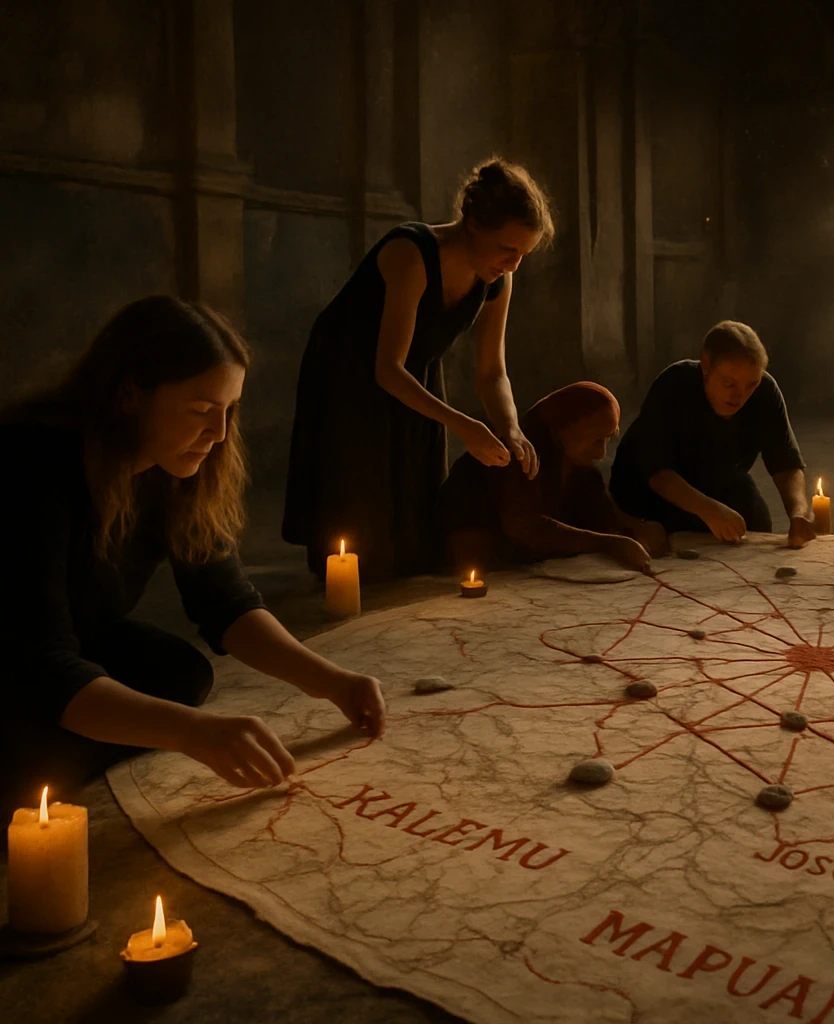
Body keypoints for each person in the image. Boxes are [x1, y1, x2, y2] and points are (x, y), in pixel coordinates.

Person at [0, 297, 387, 808]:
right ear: (129, 395)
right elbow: (41, 664)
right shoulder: (33, 464)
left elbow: (224, 601)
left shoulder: (174, 469)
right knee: (48, 749)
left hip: (75, 636)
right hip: (13, 656)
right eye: (203, 411)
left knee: (178, 673)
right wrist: (194, 734)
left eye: (230, 410)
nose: (220, 434)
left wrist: (333, 682)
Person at [283, 156, 553, 581]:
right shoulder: (410, 253)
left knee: (413, 537)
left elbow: (491, 372)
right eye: (507, 249)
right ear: (474, 224)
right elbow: (387, 369)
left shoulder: (498, 279)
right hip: (350, 372)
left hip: (416, 372)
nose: (513, 264)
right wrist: (464, 427)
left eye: (523, 254)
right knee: (359, 523)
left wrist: (511, 428)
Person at [609, 321, 815, 547]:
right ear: (706, 365)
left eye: (751, 384)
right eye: (729, 383)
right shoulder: (674, 385)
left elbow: (785, 463)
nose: (740, 396)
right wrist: (709, 510)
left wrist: (799, 512)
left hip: (720, 478)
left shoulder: (765, 391)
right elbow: (658, 473)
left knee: (755, 519)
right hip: (654, 486)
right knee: (665, 538)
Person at [440, 382, 669, 573]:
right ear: (563, 429)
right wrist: (609, 543)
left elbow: (601, 514)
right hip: (476, 560)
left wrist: (637, 528)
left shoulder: (581, 468)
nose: (601, 453)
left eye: (607, 439)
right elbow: (526, 527)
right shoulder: (520, 457)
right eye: (596, 440)